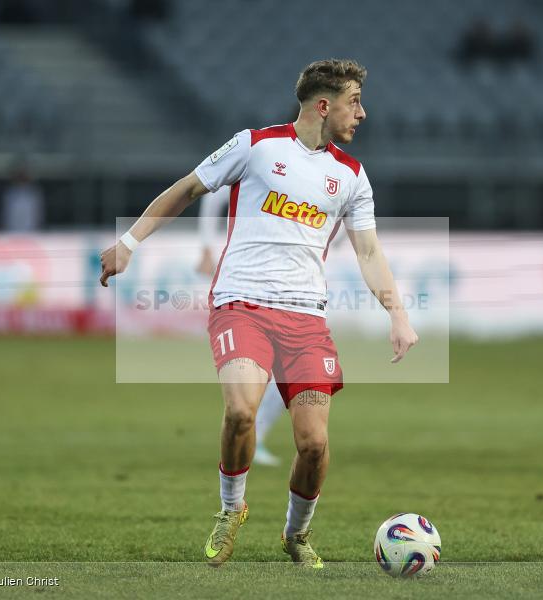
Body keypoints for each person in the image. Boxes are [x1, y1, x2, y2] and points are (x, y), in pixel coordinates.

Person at [100, 59, 418, 567]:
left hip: (305, 319)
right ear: (324, 105)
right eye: (354, 102)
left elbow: (368, 251)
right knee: (241, 411)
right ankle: (231, 511)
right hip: (241, 305)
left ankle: (296, 534)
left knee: (313, 443)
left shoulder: (352, 176)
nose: (362, 113)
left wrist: (397, 314)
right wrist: (128, 242)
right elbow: (187, 188)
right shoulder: (255, 146)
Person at [198, 186, 286, 467]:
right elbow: (213, 197)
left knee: (290, 372)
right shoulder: (256, 162)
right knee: (255, 366)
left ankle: (254, 433)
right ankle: (247, 430)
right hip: (247, 279)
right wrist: (206, 248)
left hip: (295, 279)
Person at [0, 160, 44, 232]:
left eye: (23, 174)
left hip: (31, 232)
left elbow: (39, 215)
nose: (21, 177)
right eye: (20, 174)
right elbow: (5, 215)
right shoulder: (9, 193)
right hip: (11, 232)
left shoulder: (34, 193)